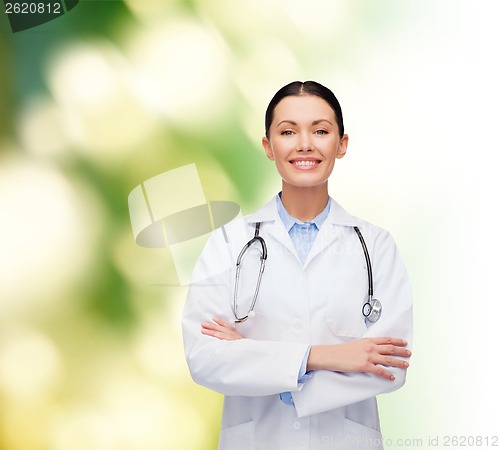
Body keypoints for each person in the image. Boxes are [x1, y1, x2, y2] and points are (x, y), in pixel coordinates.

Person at [182, 81, 412, 450]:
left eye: (320, 131)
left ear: (342, 144)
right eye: (288, 131)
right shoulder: (228, 244)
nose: (305, 144)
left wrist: (256, 358)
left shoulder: (376, 246)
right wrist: (324, 357)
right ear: (268, 147)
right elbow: (205, 358)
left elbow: (390, 366)